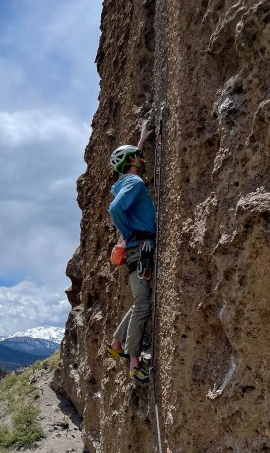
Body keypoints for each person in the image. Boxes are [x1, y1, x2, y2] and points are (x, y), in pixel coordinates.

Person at [102, 121, 157, 384]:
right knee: (143, 304)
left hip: (136, 251)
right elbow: (115, 209)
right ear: (132, 161)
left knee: (139, 301)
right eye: (139, 156)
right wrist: (128, 233)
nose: (142, 158)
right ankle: (134, 363)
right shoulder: (134, 181)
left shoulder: (126, 180)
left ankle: (115, 344)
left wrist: (141, 141)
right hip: (141, 248)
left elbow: (129, 163)